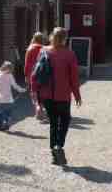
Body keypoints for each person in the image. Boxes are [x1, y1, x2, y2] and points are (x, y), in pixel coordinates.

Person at [31, 27, 81, 166]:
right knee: (64, 121)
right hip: (63, 94)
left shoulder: (43, 51)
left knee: (53, 123)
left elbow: (35, 73)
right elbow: (74, 77)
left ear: (52, 37)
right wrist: (77, 94)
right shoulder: (69, 54)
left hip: (47, 94)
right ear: (65, 39)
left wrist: (35, 93)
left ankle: (54, 153)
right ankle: (59, 146)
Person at [0, 61, 26, 131]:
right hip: (8, 99)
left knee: (1, 113)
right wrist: (22, 90)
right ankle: (5, 125)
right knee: (8, 113)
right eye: (10, 68)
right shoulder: (9, 76)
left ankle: (0, 126)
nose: (10, 70)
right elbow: (15, 86)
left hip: (1, 99)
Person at [23, 32, 46, 121]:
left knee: (34, 93)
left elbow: (27, 64)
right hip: (43, 74)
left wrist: (26, 75)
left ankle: (38, 109)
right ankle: (41, 109)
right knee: (41, 93)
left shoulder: (30, 49)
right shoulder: (45, 49)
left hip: (32, 74)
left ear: (34, 38)